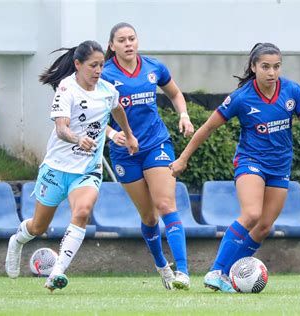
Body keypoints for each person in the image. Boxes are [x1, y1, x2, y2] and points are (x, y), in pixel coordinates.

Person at [170, 43, 300, 292]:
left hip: (280, 165)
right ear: (253, 67)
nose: (271, 72)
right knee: (251, 214)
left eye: (276, 67)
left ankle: (230, 273)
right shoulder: (241, 97)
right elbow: (207, 128)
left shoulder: (292, 91)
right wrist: (183, 159)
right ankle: (216, 271)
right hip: (250, 162)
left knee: (263, 227)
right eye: (265, 67)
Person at [4, 40, 138, 292]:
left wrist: (128, 135)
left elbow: (117, 109)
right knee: (38, 226)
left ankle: (56, 273)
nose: (98, 70)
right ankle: (17, 240)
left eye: (101, 65)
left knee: (83, 210)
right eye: (93, 65)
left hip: (87, 169)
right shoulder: (66, 89)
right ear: (77, 64)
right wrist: (79, 138)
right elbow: (61, 128)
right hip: (57, 169)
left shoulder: (107, 90)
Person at [101, 22, 194, 290]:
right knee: (149, 217)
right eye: (122, 40)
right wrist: (111, 134)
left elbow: (175, 94)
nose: (128, 44)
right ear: (112, 46)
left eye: (132, 38)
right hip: (125, 153)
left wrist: (184, 115)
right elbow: (93, 117)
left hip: (156, 144)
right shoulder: (105, 75)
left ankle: (184, 273)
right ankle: (161, 265)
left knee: (166, 205)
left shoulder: (154, 67)